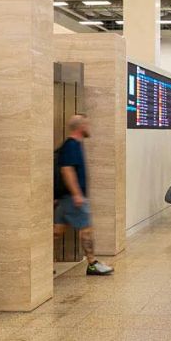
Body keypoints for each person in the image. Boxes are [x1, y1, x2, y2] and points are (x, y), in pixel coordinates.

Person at [54, 115, 114, 275]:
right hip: (73, 198)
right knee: (86, 229)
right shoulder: (72, 146)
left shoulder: (74, 145)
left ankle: (44, 262)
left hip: (66, 198)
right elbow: (67, 170)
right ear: (80, 127)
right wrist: (77, 194)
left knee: (57, 231)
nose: (89, 127)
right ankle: (92, 263)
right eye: (87, 124)